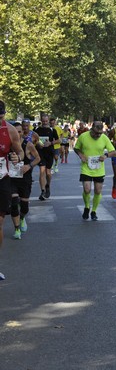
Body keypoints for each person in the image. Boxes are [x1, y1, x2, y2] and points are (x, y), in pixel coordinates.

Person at [0, 100, 26, 280]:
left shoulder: (9, 130)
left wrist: (18, 157)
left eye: (0, 116)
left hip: (2, 179)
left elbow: (21, 153)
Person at [73, 121, 116, 221]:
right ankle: (87, 207)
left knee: (98, 190)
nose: (98, 135)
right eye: (96, 133)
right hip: (86, 167)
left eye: (100, 133)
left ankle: (94, 211)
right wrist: (81, 155)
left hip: (99, 169)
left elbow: (113, 151)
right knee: (87, 189)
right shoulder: (83, 136)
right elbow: (76, 148)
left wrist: (105, 156)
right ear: (91, 129)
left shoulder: (104, 138)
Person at [10, 122, 41, 239]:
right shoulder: (7, 145)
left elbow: (38, 158)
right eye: (14, 131)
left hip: (25, 179)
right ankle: (17, 229)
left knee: (24, 207)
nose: (17, 134)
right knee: (13, 203)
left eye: (19, 131)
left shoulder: (28, 144)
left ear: (22, 132)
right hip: (11, 179)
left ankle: (22, 218)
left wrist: (29, 166)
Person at [34, 114, 60, 200]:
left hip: (49, 153)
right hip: (40, 152)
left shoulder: (52, 130)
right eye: (43, 121)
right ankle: (42, 191)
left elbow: (58, 140)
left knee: (48, 173)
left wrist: (51, 143)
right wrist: (38, 144)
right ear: (41, 121)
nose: (45, 123)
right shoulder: (37, 130)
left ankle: (47, 185)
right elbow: (34, 140)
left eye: (46, 121)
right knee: (42, 171)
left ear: (48, 121)